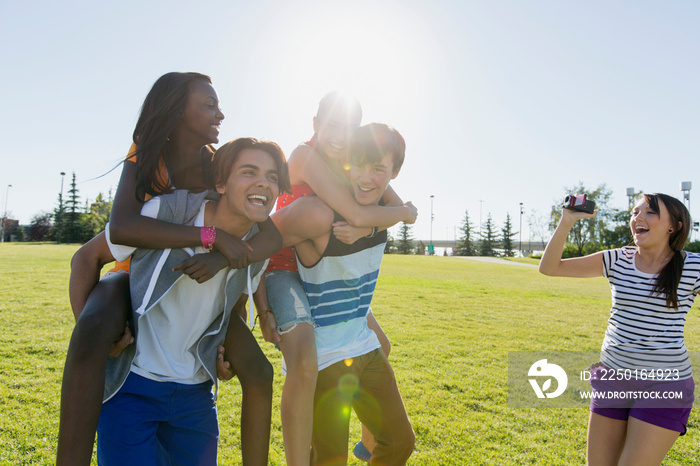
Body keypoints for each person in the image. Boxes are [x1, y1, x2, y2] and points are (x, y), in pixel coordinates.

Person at [57, 72, 281, 466]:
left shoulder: (217, 167)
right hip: (133, 272)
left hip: (193, 279)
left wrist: (220, 255)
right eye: (209, 105)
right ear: (179, 111)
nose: (221, 114)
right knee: (91, 334)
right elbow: (123, 227)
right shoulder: (146, 153)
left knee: (259, 372)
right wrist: (210, 236)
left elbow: (269, 238)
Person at [96, 137, 289, 465]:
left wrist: (223, 354)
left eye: (272, 176)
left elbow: (234, 306)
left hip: (195, 396)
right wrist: (95, 337)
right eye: (249, 172)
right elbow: (89, 257)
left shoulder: (257, 249)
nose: (263, 183)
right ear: (221, 183)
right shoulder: (168, 211)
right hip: (132, 386)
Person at [256, 92, 417, 465]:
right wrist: (392, 218)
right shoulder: (304, 156)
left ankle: (368, 442)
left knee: (381, 344)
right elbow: (361, 215)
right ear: (315, 125)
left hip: (317, 262)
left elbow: (386, 204)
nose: (339, 137)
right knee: (306, 363)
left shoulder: (354, 161)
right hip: (282, 266)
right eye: (331, 127)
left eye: (347, 130)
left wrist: (397, 213)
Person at [539, 193, 699, 465]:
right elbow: (550, 267)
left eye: (649, 212)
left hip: (665, 386)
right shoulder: (616, 259)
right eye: (635, 212)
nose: (638, 217)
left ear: (674, 226)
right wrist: (567, 220)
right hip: (613, 380)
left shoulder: (693, 266)